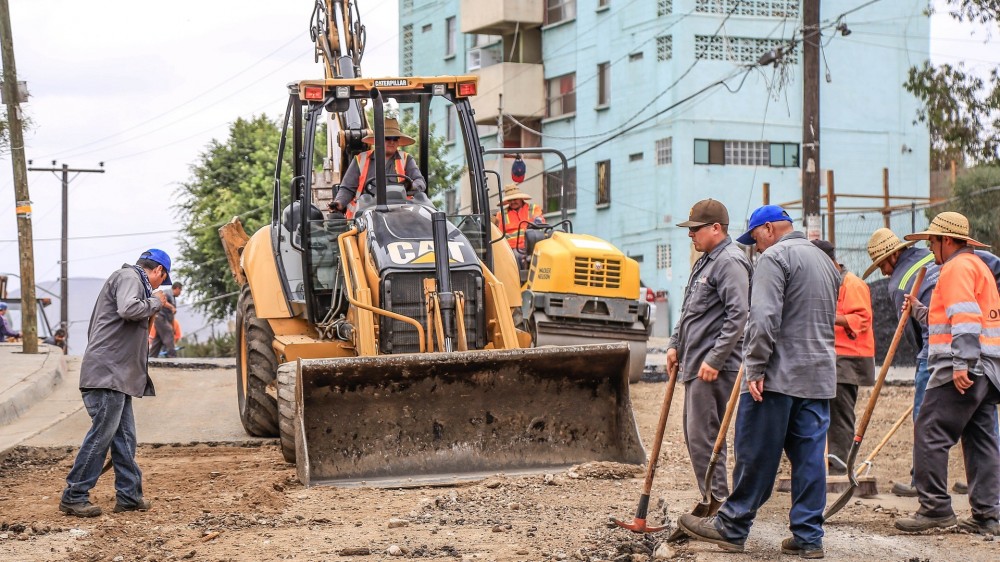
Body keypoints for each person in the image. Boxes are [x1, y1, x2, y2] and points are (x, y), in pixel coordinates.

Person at [678, 205, 840, 559]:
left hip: (777, 378)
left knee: (755, 453)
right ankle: (809, 537)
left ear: (768, 230)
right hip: (819, 378)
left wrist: (755, 368)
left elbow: (763, 319)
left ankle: (732, 527)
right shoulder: (825, 263)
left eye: (755, 239)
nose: (756, 247)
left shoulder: (775, 258)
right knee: (810, 459)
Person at [893, 212, 1000, 534]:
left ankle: (936, 508)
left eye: (932, 241)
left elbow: (965, 317)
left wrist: (961, 363)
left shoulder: (955, 268)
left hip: (965, 367)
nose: (929, 247)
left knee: (929, 431)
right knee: (981, 438)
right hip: (987, 367)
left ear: (947, 241)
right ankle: (988, 515)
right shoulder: (977, 267)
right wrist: (921, 311)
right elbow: (954, 319)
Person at [59, 249, 173, 517]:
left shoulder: (129, 279)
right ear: (159, 271)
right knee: (101, 438)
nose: (159, 287)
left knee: (124, 439)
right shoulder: (129, 276)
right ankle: (74, 495)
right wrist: (156, 302)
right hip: (107, 376)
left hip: (116, 377)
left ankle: (129, 496)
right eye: (161, 281)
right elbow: (129, 309)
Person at [666, 199, 751, 503]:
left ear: (716, 228)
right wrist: (675, 344)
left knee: (706, 439)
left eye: (696, 229)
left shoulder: (730, 261)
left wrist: (715, 359)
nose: (691, 235)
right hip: (695, 362)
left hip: (714, 367)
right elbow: (690, 309)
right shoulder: (705, 261)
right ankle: (711, 501)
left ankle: (718, 506)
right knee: (695, 437)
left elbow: (739, 315)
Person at [862, 227, 939, 496]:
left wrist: (925, 366)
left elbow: (910, 333)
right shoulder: (930, 256)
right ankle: (985, 481)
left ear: (892, 257)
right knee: (975, 417)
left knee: (924, 418)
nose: (883, 272)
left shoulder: (898, 284)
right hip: (966, 344)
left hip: (933, 351)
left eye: (882, 264)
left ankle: (922, 482)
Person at [812, 240, 875, 475]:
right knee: (829, 408)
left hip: (850, 357)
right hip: (833, 355)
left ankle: (839, 465)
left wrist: (825, 316)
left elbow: (862, 318)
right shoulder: (829, 282)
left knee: (840, 411)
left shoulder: (852, 284)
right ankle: (830, 460)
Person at [327, 117, 426, 219]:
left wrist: (410, 186)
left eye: (395, 138)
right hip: (365, 216)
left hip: (400, 216)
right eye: (387, 138)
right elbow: (347, 188)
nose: (392, 142)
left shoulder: (406, 159)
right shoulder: (360, 159)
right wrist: (339, 202)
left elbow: (420, 182)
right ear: (377, 139)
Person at [493, 183, 546, 266]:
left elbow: (539, 221)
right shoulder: (501, 215)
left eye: (515, 199)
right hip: (513, 249)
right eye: (510, 200)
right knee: (516, 256)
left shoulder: (533, 208)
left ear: (521, 198)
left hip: (534, 247)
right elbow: (498, 236)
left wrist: (536, 222)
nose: (513, 202)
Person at [149, 282, 182, 358]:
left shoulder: (173, 297)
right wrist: (172, 307)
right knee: (169, 332)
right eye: (180, 291)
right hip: (160, 318)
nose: (180, 293)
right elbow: (163, 301)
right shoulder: (168, 293)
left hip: (164, 320)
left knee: (158, 340)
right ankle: (172, 357)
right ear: (177, 288)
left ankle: (151, 358)